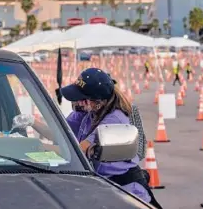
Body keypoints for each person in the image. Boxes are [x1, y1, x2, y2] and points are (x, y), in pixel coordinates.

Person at [59, 68, 162, 208]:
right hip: (101, 187)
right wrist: (32, 122)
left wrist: (39, 148)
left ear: (97, 101)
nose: (78, 102)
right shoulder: (89, 113)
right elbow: (61, 132)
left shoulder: (114, 121)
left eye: (82, 99)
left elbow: (78, 151)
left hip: (124, 192)